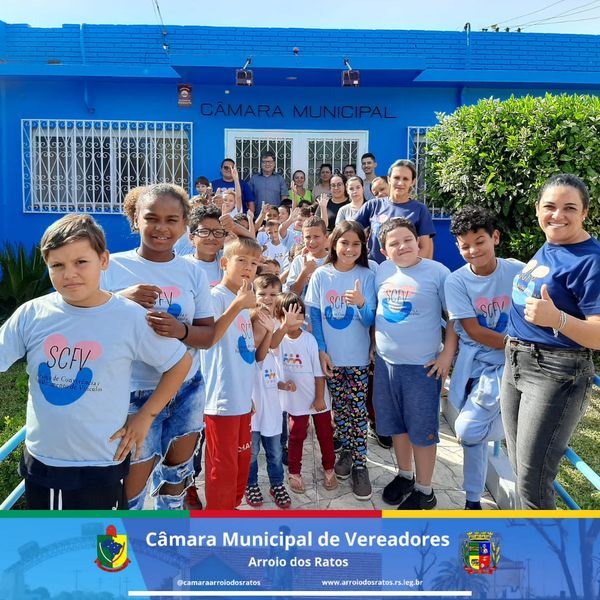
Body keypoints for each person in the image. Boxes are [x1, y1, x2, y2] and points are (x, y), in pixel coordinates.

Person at [0, 214, 191, 510]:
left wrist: (145, 416)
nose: (69, 274)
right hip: (45, 462)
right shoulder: (32, 315)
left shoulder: (129, 317)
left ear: (103, 260)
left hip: (104, 462)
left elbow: (179, 363)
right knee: (53, 550)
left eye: (81, 262)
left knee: (104, 550)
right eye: (57, 265)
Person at [102, 184, 215, 510]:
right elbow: (85, 322)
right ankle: (126, 555)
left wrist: (181, 330)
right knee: (130, 493)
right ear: (135, 219)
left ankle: (169, 544)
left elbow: (207, 336)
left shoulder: (192, 272)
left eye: (172, 219)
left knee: (175, 478)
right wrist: (122, 300)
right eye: (151, 218)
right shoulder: (112, 268)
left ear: (183, 225)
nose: (161, 228)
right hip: (133, 397)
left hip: (187, 391)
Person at [500, 173, 600, 510]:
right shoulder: (551, 244)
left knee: (533, 482)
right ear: (537, 210)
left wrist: (556, 319)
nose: (558, 215)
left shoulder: (591, 260)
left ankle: (544, 560)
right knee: (520, 470)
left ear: (584, 212)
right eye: (550, 207)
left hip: (554, 372)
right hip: (515, 362)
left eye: (569, 208)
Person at [374, 218, 457, 510]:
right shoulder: (382, 271)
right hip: (386, 365)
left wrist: (447, 355)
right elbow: (377, 311)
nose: (402, 246)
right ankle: (405, 475)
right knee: (397, 426)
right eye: (394, 243)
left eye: (407, 239)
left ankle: (425, 489)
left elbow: (454, 318)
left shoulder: (438, 273)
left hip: (423, 368)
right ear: (384, 251)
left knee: (422, 431)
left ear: (417, 240)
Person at [445, 207, 523, 510]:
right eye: (465, 245)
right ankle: (472, 499)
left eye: (480, 241)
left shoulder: (517, 271)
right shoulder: (456, 282)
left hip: (511, 366)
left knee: (468, 431)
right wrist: (519, 345)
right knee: (472, 438)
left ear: (495, 237)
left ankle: (517, 428)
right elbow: (473, 330)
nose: (473, 250)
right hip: (478, 366)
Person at [305, 221, 376, 500]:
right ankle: (346, 450)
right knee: (341, 411)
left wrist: (360, 302)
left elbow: (370, 319)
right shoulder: (322, 275)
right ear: (333, 244)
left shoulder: (367, 276)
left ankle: (360, 465)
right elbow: (314, 317)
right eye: (344, 242)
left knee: (357, 411)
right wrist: (321, 350)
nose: (349, 248)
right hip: (331, 359)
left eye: (355, 244)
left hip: (357, 358)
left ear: (362, 247)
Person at [202, 236, 263, 509]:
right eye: (242, 260)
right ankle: (217, 520)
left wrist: (247, 394)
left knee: (241, 460)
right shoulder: (215, 297)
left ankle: (231, 509)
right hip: (221, 402)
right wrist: (239, 305)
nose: (249, 267)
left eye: (254, 263)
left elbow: (243, 355)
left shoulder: (243, 301)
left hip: (240, 400)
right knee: (222, 466)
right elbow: (209, 338)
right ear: (224, 262)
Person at [275, 293, 337, 493]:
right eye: (289, 315)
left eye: (299, 313)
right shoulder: (278, 339)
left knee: (325, 434)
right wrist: (284, 326)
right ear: (279, 317)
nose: (295, 319)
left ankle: (329, 467)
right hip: (296, 401)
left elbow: (319, 374)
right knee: (296, 435)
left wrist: (320, 398)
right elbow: (270, 346)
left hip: (317, 397)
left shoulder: (309, 340)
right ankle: (294, 472)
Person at [245, 274, 293, 509]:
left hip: (272, 400)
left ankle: (277, 484)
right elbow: (260, 352)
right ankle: (250, 483)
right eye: (262, 293)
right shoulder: (249, 318)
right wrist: (275, 328)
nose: (267, 298)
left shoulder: (277, 318)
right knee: (251, 451)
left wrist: (281, 326)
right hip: (253, 399)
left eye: (273, 294)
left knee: (274, 450)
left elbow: (274, 347)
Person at [354, 159, 436, 263]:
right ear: (389, 179)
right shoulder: (373, 205)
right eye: (396, 178)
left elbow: (425, 249)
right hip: (375, 271)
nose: (400, 183)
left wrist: (405, 268)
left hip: (405, 273)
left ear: (413, 182)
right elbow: (349, 230)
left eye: (405, 179)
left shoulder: (420, 210)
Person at [286, 216, 329, 299]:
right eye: (308, 237)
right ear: (302, 238)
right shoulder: (299, 260)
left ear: (325, 237)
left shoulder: (333, 260)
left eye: (316, 236)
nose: (312, 241)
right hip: (305, 310)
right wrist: (304, 272)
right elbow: (292, 294)